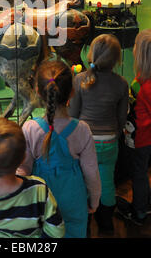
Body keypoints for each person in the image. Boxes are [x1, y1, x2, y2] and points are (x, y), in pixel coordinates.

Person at [17, 60, 101, 238]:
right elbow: (91, 172)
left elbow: (23, 169)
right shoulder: (82, 129)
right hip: (74, 201)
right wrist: (94, 200)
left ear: (38, 92)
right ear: (72, 92)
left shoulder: (30, 128)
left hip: (41, 203)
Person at [68, 34, 129, 233]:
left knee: (84, 181)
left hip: (85, 142)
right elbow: (121, 119)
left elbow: (74, 115)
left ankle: (85, 221)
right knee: (107, 181)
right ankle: (106, 223)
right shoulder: (121, 83)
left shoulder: (80, 80)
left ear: (91, 55)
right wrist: (115, 136)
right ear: (117, 59)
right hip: (109, 141)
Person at [116, 29, 151, 226]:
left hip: (142, 142)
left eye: (135, 45)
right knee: (140, 173)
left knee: (139, 174)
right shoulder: (147, 83)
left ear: (141, 55)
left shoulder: (149, 90)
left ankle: (139, 212)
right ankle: (147, 203)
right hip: (139, 138)